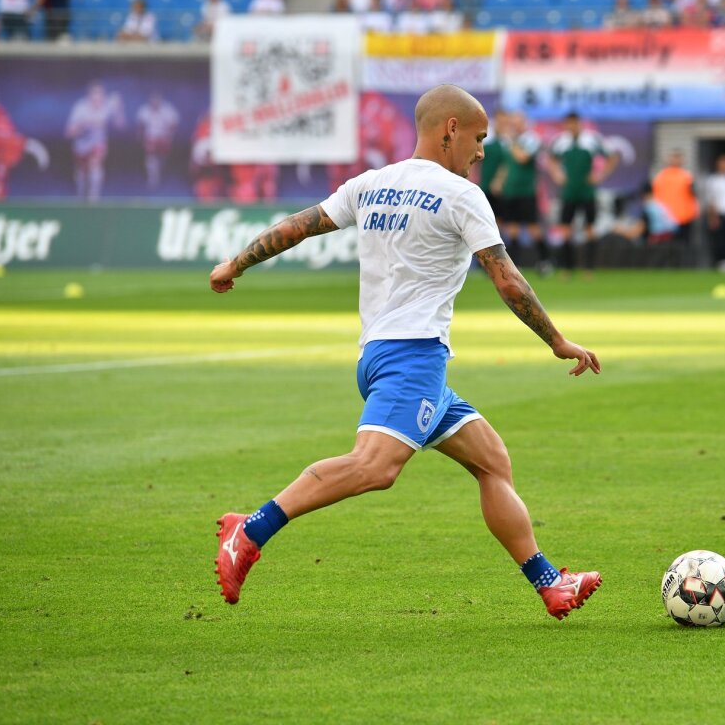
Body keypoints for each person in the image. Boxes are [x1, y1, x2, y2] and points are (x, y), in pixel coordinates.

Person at [208, 84, 603, 620]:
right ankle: (250, 530)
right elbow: (508, 279)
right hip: (412, 358)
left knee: (491, 461)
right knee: (375, 467)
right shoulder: (462, 195)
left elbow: (299, 226)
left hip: (381, 356)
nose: (481, 151)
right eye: (479, 138)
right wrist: (557, 341)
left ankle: (549, 582)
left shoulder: (371, 184)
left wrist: (236, 263)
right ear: (450, 129)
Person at [546, 112, 618, 276]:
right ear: (566, 124)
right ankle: (567, 268)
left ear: (580, 123)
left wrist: (600, 175)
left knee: (590, 229)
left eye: (575, 123)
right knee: (565, 229)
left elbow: (612, 156)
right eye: (569, 123)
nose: (572, 126)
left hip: (587, 191)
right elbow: (551, 159)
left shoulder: (592, 139)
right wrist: (556, 174)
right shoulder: (561, 141)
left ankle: (589, 268)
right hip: (569, 191)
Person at [494, 112, 551, 272]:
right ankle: (515, 266)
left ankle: (545, 261)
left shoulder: (531, 139)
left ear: (524, 123)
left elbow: (522, 158)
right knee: (512, 229)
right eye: (512, 123)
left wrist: (512, 141)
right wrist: (499, 181)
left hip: (526, 191)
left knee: (533, 228)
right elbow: (506, 164)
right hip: (510, 190)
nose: (514, 126)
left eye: (517, 123)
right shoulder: (509, 142)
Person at [65, 82, 125, 201]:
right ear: (89, 96)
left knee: (95, 168)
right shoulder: (80, 108)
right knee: (81, 175)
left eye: (100, 94)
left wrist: (119, 109)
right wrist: (86, 124)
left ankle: (94, 200)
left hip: (98, 144)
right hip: (81, 146)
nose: (97, 98)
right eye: (94, 94)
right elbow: (68, 133)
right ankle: (81, 197)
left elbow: (120, 125)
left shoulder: (108, 105)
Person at [651, 150, 698, 242]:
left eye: (678, 158)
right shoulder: (661, 176)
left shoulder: (687, 176)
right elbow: (655, 197)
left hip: (684, 218)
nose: (676, 161)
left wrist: (694, 212)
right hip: (666, 219)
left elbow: (693, 195)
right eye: (674, 158)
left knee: (684, 243)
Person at [136, 93, 180, 189]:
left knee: (161, 158)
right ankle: (153, 178)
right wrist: (141, 138)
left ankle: (159, 171)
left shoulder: (168, 109)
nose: (155, 104)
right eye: (153, 102)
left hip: (164, 136)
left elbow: (174, 124)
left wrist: (170, 137)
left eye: (157, 102)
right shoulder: (144, 110)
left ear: (160, 101)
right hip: (150, 136)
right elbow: (140, 125)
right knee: (151, 158)